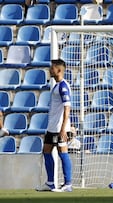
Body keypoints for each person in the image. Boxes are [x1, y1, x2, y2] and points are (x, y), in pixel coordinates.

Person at [35, 59, 73, 192]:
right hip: (52, 127)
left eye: (52, 68)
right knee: (46, 150)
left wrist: (64, 128)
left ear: (58, 70)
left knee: (63, 152)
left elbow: (67, 107)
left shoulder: (63, 86)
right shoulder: (57, 86)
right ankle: (50, 182)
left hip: (59, 129)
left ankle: (68, 184)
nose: (50, 70)